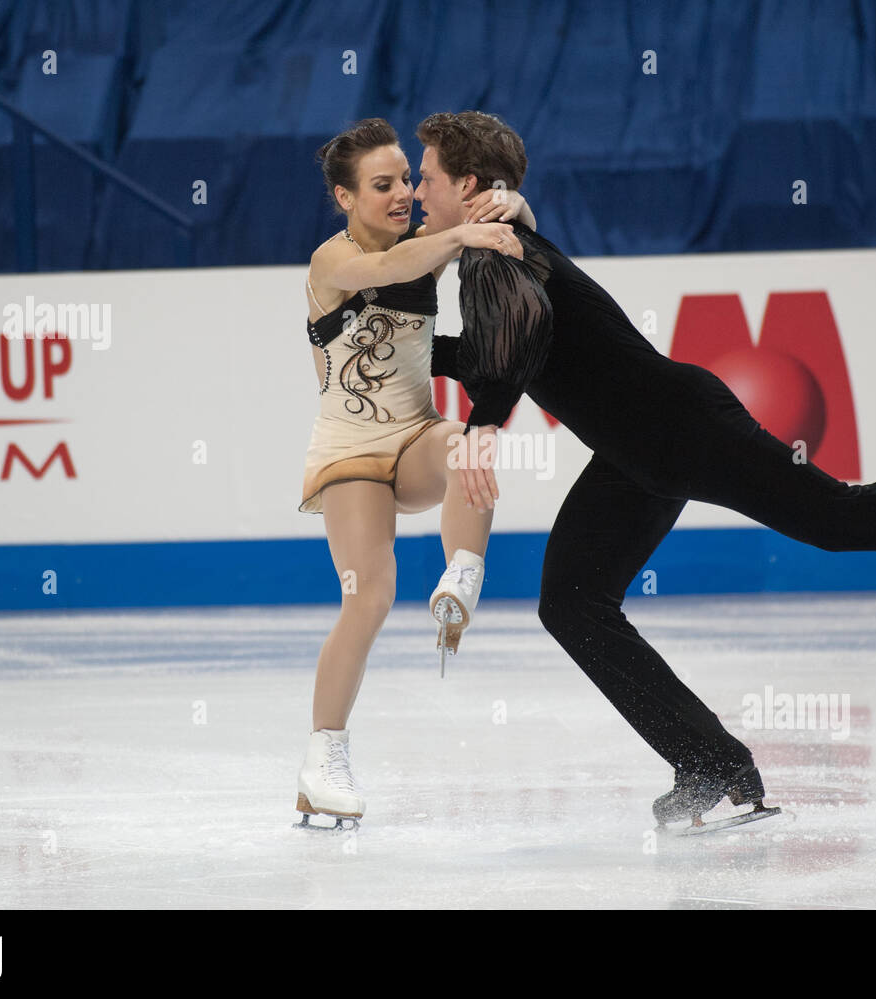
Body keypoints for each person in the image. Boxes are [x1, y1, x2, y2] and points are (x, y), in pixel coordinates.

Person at [413, 110, 876, 829]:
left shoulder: (493, 252)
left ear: (470, 183)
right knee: (572, 600)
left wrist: (481, 428)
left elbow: (514, 341)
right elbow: (493, 352)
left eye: (427, 178)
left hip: (680, 427)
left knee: (841, 518)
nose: (417, 191)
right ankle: (711, 763)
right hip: (638, 452)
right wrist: (408, 351)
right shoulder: (498, 244)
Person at [295, 118, 535, 829]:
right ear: (344, 196)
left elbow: (491, 215)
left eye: (406, 178)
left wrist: (514, 208)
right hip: (348, 456)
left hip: (415, 438)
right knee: (369, 594)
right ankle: (322, 759)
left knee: (466, 439)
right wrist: (461, 236)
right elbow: (385, 271)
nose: (403, 193)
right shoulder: (332, 262)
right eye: (383, 184)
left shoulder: (423, 247)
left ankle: (464, 571)